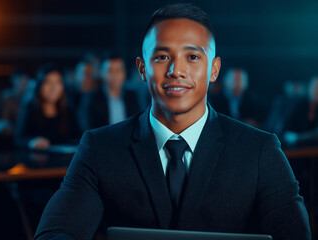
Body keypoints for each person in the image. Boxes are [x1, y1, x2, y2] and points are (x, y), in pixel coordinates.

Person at [35, 3, 310, 240]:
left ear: (214, 69)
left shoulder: (260, 151)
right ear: (142, 68)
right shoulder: (100, 148)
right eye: (162, 57)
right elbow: (55, 232)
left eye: (192, 57)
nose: (176, 70)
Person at [15, 64, 81, 149]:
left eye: (58, 82)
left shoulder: (69, 111)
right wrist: (31, 142)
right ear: (40, 85)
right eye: (48, 82)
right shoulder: (30, 109)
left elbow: (78, 137)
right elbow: (18, 139)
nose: (54, 88)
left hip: (65, 159)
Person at [78, 54, 141, 130]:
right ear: (102, 73)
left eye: (118, 70)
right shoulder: (91, 99)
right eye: (110, 71)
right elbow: (88, 128)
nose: (115, 75)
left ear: (124, 73)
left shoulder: (132, 97)